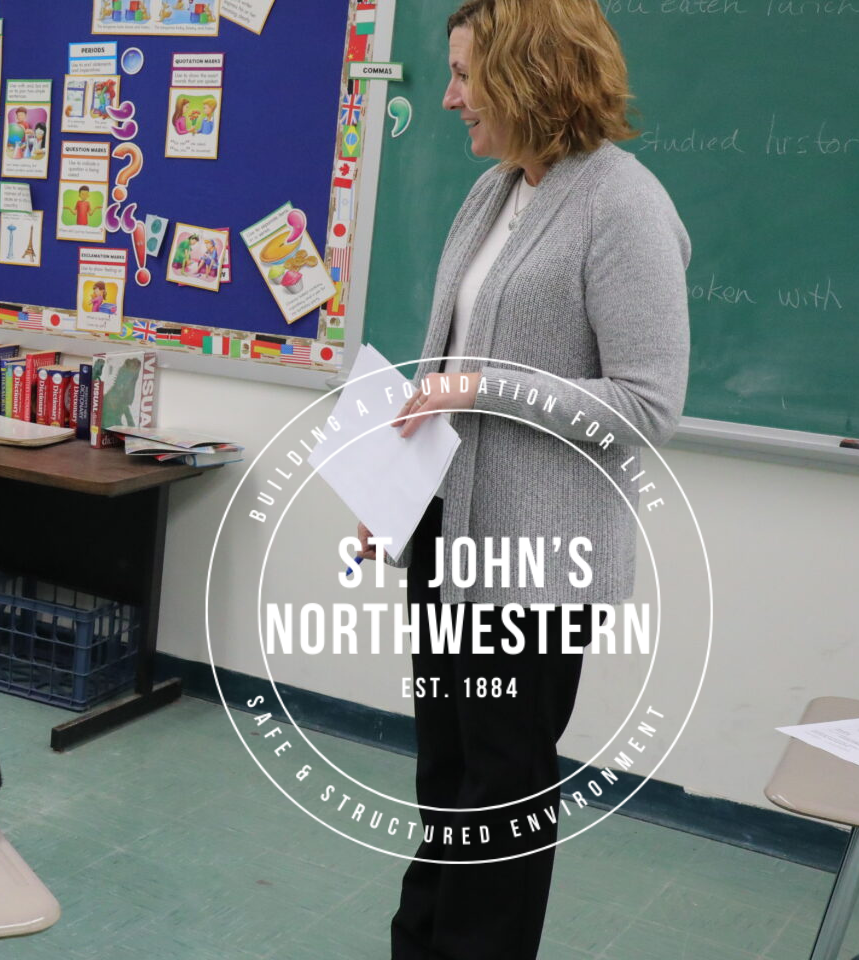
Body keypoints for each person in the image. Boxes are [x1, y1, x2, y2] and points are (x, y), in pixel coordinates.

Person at [355, 1, 690, 957]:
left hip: (535, 565)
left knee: (501, 802)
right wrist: (395, 495)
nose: (452, 97)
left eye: (467, 76)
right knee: (445, 783)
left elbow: (647, 403)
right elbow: (447, 374)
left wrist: (483, 385)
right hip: (451, 546)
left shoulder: (623, 204)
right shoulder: (498, 193)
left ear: (530, 75)